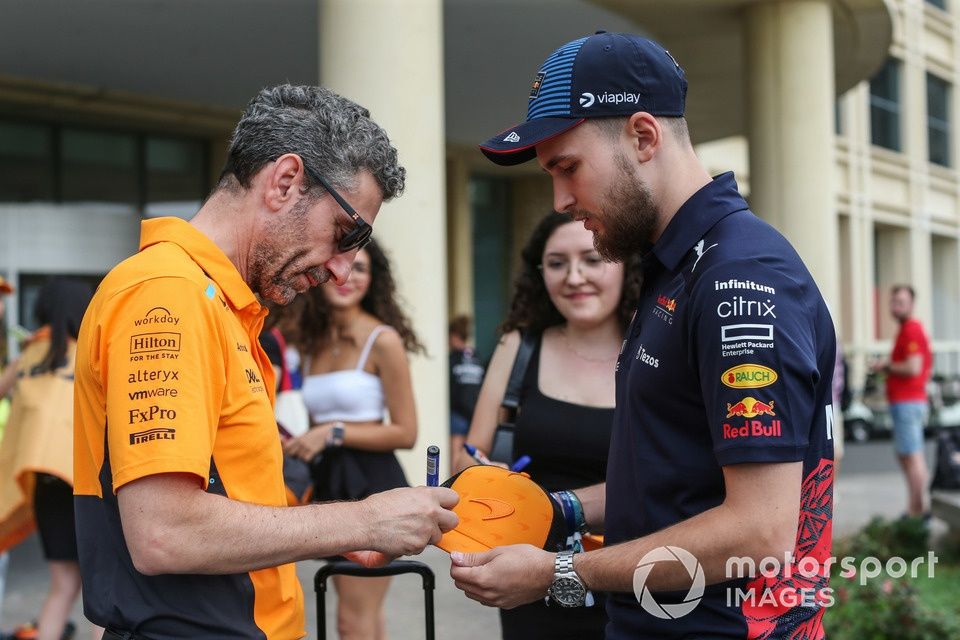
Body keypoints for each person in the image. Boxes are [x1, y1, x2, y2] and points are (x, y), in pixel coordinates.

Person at [450, 32, 836, 639]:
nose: (560, 199)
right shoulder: (676, 270)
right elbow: (671, 481)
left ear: (643, 136)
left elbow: (760, 532)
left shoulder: (738, 278)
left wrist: (559, 573)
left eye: (568, 168)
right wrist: (560, 509)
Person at [72, 85, 458, 640]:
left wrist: (336, 531)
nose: (345, 271)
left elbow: (226, 497)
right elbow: (164, 532)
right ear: (284, 182)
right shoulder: (170, 295)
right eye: (347, 234)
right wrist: (364, 519)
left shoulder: (218, 303)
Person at [454, 211, 641, 639]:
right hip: (528, 576)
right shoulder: (518, 345)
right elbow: (471, 453)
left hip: (633, 575)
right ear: (540, 274)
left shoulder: (654, 346)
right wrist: (484, 477)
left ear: (626, 265)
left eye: (592, 260)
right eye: (557, 263)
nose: (574, 277)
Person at [283, 239, 422, 639]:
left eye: (361, 268)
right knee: (357, 613)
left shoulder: (384, 340)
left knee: (353, 618)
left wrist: (333, 431)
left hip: (371, 482)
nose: (349, 277)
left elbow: (406, 432)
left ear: (372, 280)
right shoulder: (309, 342)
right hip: (328, 482)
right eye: (341, 266)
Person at [0, 279, 102, 640]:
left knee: (63, 586)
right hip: (86, 486)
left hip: (44, 484)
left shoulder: (26, 358)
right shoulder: (92, 355)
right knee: (103, 588)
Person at [874, 285, 932, 518]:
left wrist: (885, 366)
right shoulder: (906, 330)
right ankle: (915, 509)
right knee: (907, 456)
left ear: (911, 304)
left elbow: (913, 367)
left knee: (913, 456)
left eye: (901, 302)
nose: (895, 306)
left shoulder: (911, 330)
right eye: (893, 301)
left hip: (908, 401)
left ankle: (919, 512)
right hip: (905, 401)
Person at [448, 314, 484, 470]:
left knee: (456, 450)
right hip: (474, 410)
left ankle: (455, 482)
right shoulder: (476, 356)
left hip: (458, 411)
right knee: (472, 451)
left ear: (454, 336)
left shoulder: (452, 358)